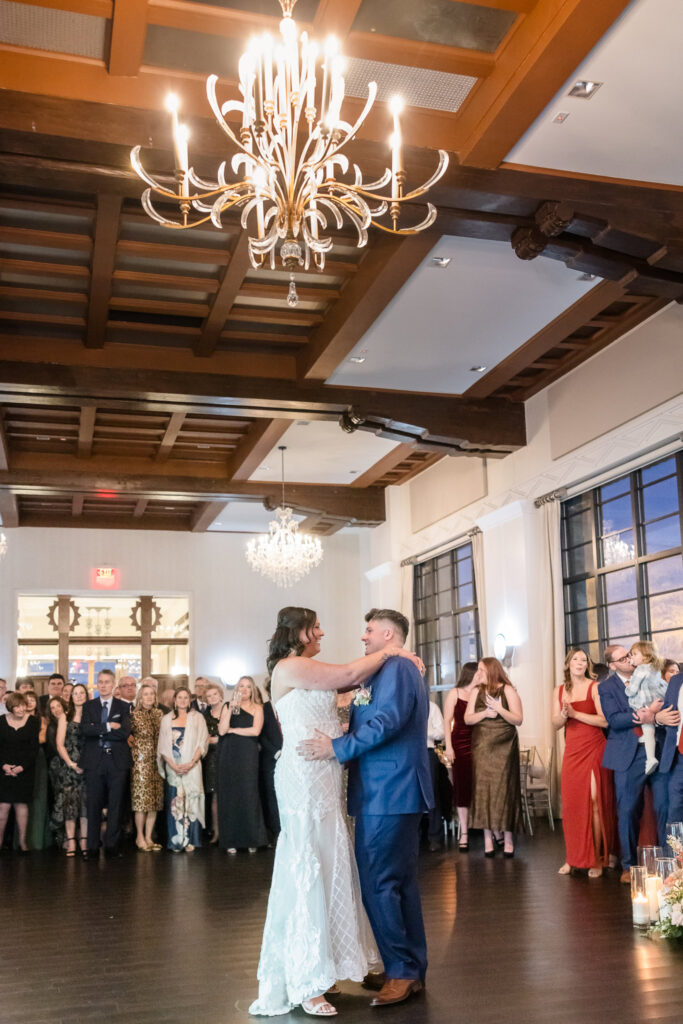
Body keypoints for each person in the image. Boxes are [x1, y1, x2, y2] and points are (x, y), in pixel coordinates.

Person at [250, 605, 419, 1017]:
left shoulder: (309, 668)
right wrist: (393, 651)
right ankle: (307, 980)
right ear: (300, 632)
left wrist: (340, 734)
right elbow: (348, 674)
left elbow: (348, 696)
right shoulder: (290, 667)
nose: (322, 632)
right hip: (304, 774)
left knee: (330, 865)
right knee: (307, 865)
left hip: (326, 773)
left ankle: (327, 970)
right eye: (316, 627)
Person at [296, 607, 432, 1012]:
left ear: (389, 635)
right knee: (398, 884)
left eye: (370, 630)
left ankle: (402, 971)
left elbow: (388, 721)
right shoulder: (385, 670)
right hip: (389, 790)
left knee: (379, 882)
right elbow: (376, 719)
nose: (364, 636)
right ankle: (407, 966)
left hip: (390, 790)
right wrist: (346, 731)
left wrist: (336, 747)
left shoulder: (399, 670)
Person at [599, 644, 674, 883]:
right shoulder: (606, 687)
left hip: (658, 749)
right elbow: (614, 719)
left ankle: (669, 864)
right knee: (628, 809)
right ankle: (629, 866)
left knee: (665, 806)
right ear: (613, 665)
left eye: (629, 655)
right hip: (628, 755)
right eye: (623, 658)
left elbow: (666, 706)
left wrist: (657, 717)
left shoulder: (652, 674)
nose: (629, 660)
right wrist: (646, 715)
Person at [552, 649, 615, 878]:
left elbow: (604, 721)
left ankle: (596, 858)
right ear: (568, 664)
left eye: (583, 660)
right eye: (575, 659)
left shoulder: (595, 687)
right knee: (572, 806)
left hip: (594, 748)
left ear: (587, 665)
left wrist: (576, 714)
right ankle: (573, 858)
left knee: (595, 802)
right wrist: (564, 714)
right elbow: (555, 724)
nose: (579, 662)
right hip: (572, 751)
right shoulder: (559, 691)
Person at [466, 657, 523, 858]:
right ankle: (488, 840)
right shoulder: (476, 691)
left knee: (504, 790)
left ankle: (508, 839)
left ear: (491, 670)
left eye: (481, 669)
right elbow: (467, 718)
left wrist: (499, 710)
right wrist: (484, 714)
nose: (478, 673)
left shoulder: (507, 690)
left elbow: (518, 719)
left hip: (504, 747)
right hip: (482, 747)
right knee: (483, 791)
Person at [80, 668, 132, 859]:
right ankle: (92, 847)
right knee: (93, 805)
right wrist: (109, 726)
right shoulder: (89, 706)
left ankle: (112, 846)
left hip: (117, 762)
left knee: (116, 805)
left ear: (113, 684)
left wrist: (99, 730)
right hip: (95, 761)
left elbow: (124, 733)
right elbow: (85, 730)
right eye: (100, 682)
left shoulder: (123, 706)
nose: (103, 685)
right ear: (97, 684)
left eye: (107, 682)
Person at [217, 676, 268, 855]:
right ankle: (230, 840)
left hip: (247, 754)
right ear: (236, 689)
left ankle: (252, 839)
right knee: (230, 795)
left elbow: (256, 731)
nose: (244, 690)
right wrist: (231, 709)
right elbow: (222, 730)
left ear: (252, 690)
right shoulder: (227, 706)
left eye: (248, 687)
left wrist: (234, 730)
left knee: (248, 793)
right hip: (229, 754)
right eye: (241, 686)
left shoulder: (257, 708)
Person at [157, 686, 208, 852]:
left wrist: (192, 763)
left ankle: (192, 839)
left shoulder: (198, 718)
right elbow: (162, 746)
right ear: (175, 700)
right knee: (176, 803)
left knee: (192, 801)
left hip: (192, 766)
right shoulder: (166, 719)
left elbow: (202, 742)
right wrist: (173, 765)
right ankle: (177, 841)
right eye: (180, 697)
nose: (183, 700)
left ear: (190, 700)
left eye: (186, 697)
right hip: (174, 767)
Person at [443, 662, 478, 852]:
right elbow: (447, 720)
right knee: (462, 787)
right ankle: (464, 832)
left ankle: (486, 828)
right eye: (479, 672)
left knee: (480, 787)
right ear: (471, 674)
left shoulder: (481, 693)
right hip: (460, 743)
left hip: (479, 742)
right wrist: (449, 747)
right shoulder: (455, 693)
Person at [0, 693, 41, 852]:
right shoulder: (1, 721)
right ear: (10, 707)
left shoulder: (33, 722)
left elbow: (34, 749)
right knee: (3, 807)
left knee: (21, 805)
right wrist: (4, 766)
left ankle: (22, 843)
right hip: (4, 770)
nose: (21, 709)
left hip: (25, 770)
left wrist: (21, 767)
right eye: (17, 706)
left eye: (23, 705)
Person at [52, 683, 88, 858]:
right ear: (71, 697)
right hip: (69, 767)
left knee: (86, 805)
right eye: (75, 693)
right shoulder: (65, 716)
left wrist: (86, 764)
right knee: (70, 806)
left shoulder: (92, 716)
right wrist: (71, 763)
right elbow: (59, 744)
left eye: (82, 693)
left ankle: (84, 840)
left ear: (86, 696)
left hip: (88, 767)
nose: (79, 696)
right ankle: (71, 840)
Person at [130, 683, 164, 851]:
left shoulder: (160, 714)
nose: (149, 697)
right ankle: (139, 836)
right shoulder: (134, 716)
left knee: (154, 801)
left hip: (157, 762)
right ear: (140, 697)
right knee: (141, 801)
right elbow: (127, 738)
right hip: (141, 763)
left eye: (151, 694)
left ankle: (149, 837)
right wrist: (135, 754)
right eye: (145, 694)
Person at [626, 641, 668, 775]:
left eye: (634, 654)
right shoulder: (654, 668)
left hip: (646, 700)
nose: (632, 657)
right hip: (657, 698)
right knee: (650, 727)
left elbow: (632, 689)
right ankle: (650, 747)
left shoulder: (640, 669)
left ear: (645, 656)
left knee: (647, 724)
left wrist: (627, 688)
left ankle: (650, 758)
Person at [656, 666, 683, 823]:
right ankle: (675, 841)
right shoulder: (676, 681)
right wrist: (659, 718)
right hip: (678, 756)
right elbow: (666, 713)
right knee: (675, 809)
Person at [202, 682, 224, 843]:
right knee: (214, 797)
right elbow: (203, 739)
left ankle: (230, 831)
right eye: (209, 696)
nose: (212, 698)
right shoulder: (204, 716)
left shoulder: (230, 711)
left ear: (221, 695)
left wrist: (218, 739)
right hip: (211, 759)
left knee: (229, 795)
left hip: (228, 756)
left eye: (215, 694)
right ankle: (216, 832)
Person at [259, 695, 283, 840]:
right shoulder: (264, 708)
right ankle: (277, 830)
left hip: (291, 756)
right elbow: (261, 734)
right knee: (272, 794)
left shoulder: (290, 704)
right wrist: (276, 751)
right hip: (271, 757)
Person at [425, 698, 445, 851]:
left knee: (432, 794)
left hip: (427, 752)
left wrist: (424, 731)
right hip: (408, 754)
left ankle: (435, 837)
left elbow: (442, 733)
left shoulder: (432, 707)